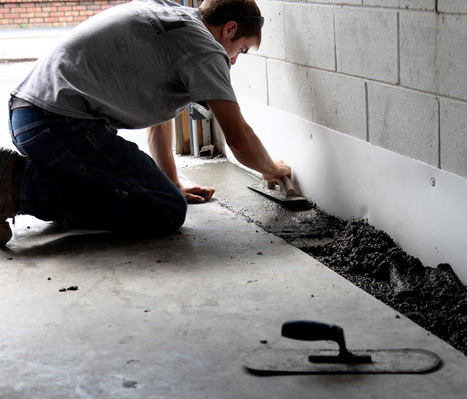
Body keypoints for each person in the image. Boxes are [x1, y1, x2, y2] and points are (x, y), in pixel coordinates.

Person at [2, 0, 291, 246]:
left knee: (158, 195)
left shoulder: (168, 13)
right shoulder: (206, 50)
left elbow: (159, 118)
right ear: (229, 29)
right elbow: (239, 139)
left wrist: (173, 182)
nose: (235, 61)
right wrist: (273, 169)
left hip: (28, 115)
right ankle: (17, 189)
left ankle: (25, 175)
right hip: (57, 126)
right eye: (241, 49)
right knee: (164, 211)